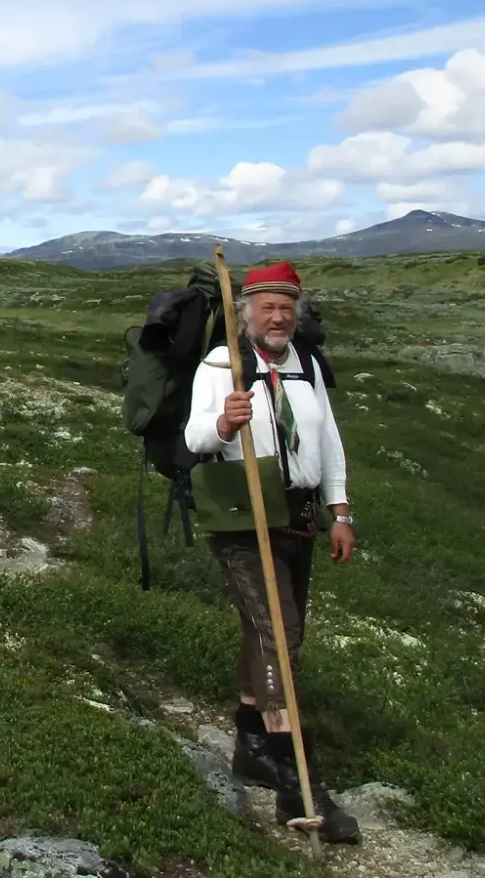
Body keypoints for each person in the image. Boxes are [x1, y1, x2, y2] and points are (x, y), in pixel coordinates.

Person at [183, 260, 361, 843]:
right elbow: (195, 438)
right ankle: (293, 775)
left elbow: (328, 442)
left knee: (267, 629)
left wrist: (340, 512)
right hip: (242, 518)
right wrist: (225, 424)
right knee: (279, 633)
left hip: (299, 516)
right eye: (267, 307)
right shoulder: (220, 364)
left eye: (287, 307)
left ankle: (251, 743)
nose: (278, 316)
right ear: (247, 314)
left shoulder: (306, 365)